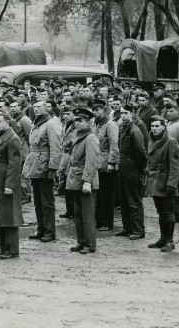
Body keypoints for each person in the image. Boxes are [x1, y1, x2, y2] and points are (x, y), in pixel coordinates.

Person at [0, 113, 24, 259]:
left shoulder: (13, 138)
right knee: (0, 215)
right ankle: (3, 248)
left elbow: (15, 164)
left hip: (5, 181)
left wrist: (10, 185)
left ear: (7, 122)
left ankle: (12, 250)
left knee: (9, 216)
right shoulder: (1, 136)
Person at [22, 100, 62, 242]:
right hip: (35, 164)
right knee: (38, 201)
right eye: (35, 107)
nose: (37, 109)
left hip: (44, 165)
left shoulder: (50, 124)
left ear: (47, 109)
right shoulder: (36, 122)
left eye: (40, 107)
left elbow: (56, 147)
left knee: (47, 201)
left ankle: (50, 231)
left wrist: (52, 167)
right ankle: (41, 228)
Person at [66, 108, 101, 254]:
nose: (77, 123)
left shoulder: (90, 138)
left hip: (85, 179)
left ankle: (90, 244)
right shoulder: (78, 135)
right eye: (76, 120)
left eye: (80, 121)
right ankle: (81, 241)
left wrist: (87, 181)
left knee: (87, 215)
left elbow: (92, 161)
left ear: (89, 122)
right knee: (78, 214)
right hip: (75, 177)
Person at [145, 116, 179, 252]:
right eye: (152, 126)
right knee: (160, 212)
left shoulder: (171, 142)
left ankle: (169, 241)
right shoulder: (152, 140)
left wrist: (172, 184)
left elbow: (175, 165)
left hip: (165, 182)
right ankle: (162, 239)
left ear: (163, 127)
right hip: (155, 181)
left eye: (157, 126)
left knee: (168, 213)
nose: (154, 129)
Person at [116, 107, 147, 240]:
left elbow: (141, 153)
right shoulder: (123, 128)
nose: (123, 116)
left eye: (126, 113)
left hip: (132, 168)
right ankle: (127, 227)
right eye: (121, 113)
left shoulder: (135, 131)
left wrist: (139, 169)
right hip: (123, 167)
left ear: (132, 114)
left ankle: (138, 230)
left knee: (134, 200)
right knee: (124, 200)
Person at [93, 100, 119, 231]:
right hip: (96, 163)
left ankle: (107, 222)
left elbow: (114, 145)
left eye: (98, 109)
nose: (95, 112)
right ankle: (99, 220)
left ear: (104, 110)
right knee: (98, 194)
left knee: (106, 195)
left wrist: (112, 163)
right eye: (94, 109)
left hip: (105, 163)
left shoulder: (110, 124)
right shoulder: (95, 124)